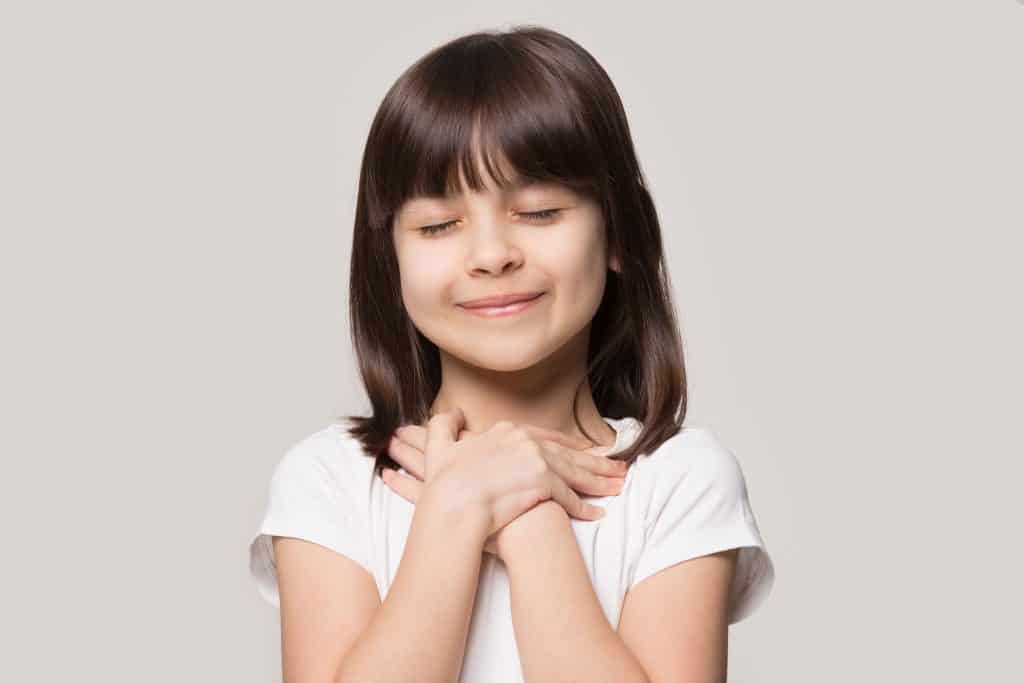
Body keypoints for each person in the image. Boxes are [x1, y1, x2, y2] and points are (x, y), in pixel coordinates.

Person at [248, 25, 775, 683]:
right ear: (391, 262)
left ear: (619, 234)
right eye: (440, 225)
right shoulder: (330, 481)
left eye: (540, 211)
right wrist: (456, 507)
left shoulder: (679, 481)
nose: (493, 254)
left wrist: (532, 526)